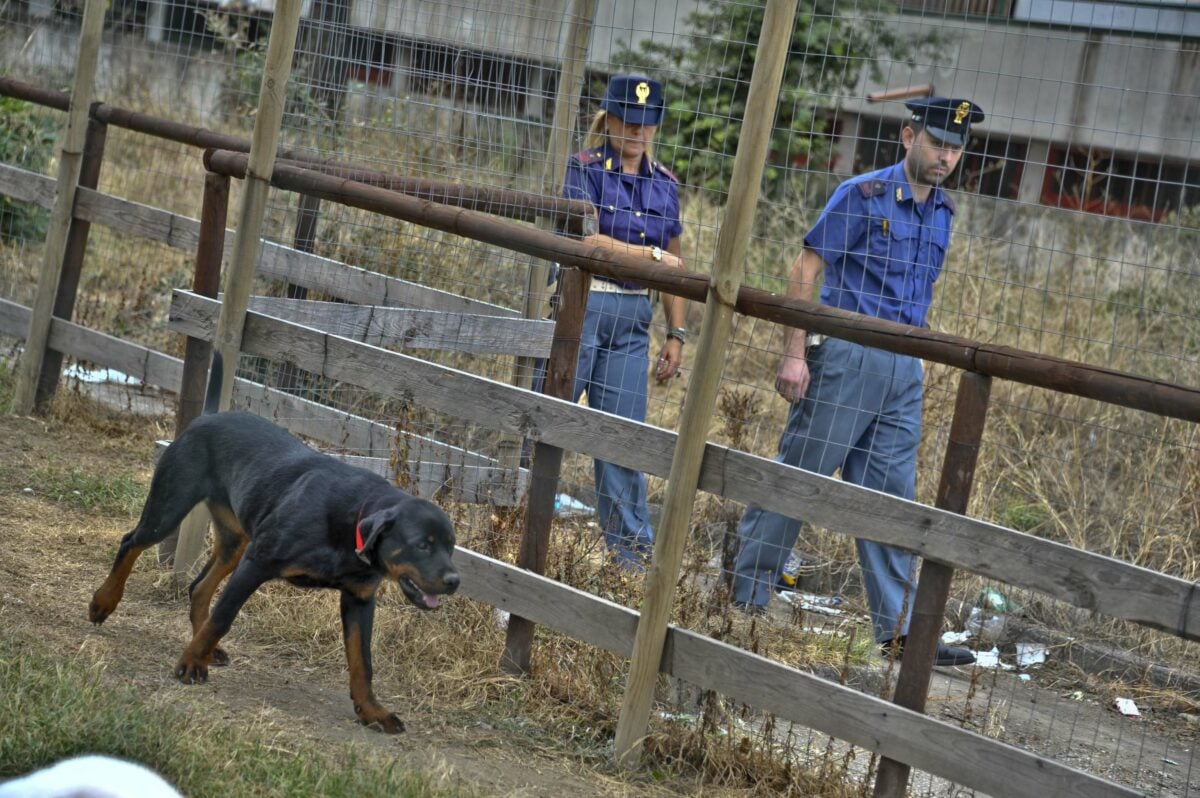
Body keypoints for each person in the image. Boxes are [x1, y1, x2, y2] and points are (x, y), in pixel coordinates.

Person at [730, 97, 984, 667]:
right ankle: (745, 598)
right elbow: (805, 270)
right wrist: (794, 353)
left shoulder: (942, 211)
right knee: (802, 476)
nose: (945, 156)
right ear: (907, 136)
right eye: (936, 142)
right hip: (847, 353)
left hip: (904, 367)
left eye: (955, 147)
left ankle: (897, 631)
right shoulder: (863, 195)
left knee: (892, 499)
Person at [556, 74, 688, 566]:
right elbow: (585, 239)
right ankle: (516, 520)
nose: (637, 133)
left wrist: (676, 333)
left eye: (646, 125)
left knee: (623, 440)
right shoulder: (584, 169)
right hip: (583, 305)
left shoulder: (667, 185)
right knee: (550, 417)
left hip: (634, 317)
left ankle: (631, 559)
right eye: (628, 122)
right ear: (609, 120)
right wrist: (649, 255)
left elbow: (678, 266)